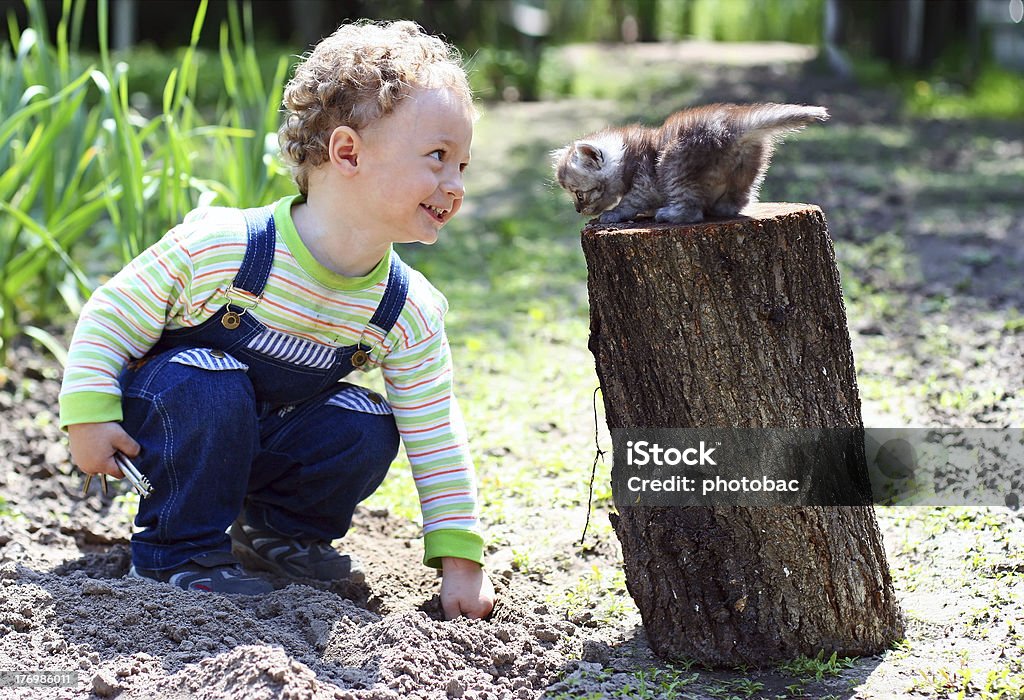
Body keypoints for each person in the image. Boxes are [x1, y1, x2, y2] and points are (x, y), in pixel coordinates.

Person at [59, 20, 495, 619]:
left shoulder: (406, 308)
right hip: (174, 425)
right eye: (439, 157)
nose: (455, 184)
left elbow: (437, 433)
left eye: (463, 166)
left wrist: (463, 562)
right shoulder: (224, 249)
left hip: (270, 439)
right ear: (347, 152)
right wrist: (88, 419)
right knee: (210, 376)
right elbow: (109, 314)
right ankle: (175, 550)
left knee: (367, 422)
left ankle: (277, 536)